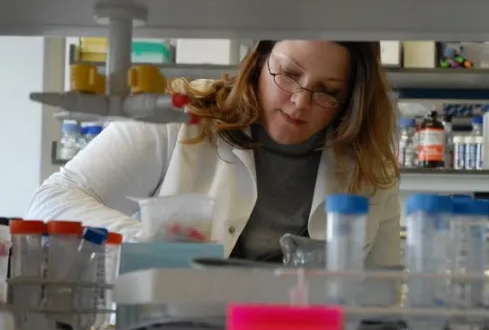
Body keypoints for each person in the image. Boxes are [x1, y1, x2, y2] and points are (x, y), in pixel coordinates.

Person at [27, 40, 401, 268]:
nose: (299, 102)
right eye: (287, 74)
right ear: (258, 62)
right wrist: (152, 242)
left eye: (326, 91)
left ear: (350, 98)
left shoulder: (369, 168)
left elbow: (385, 293)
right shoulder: (179, 114)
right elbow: (52, 200)